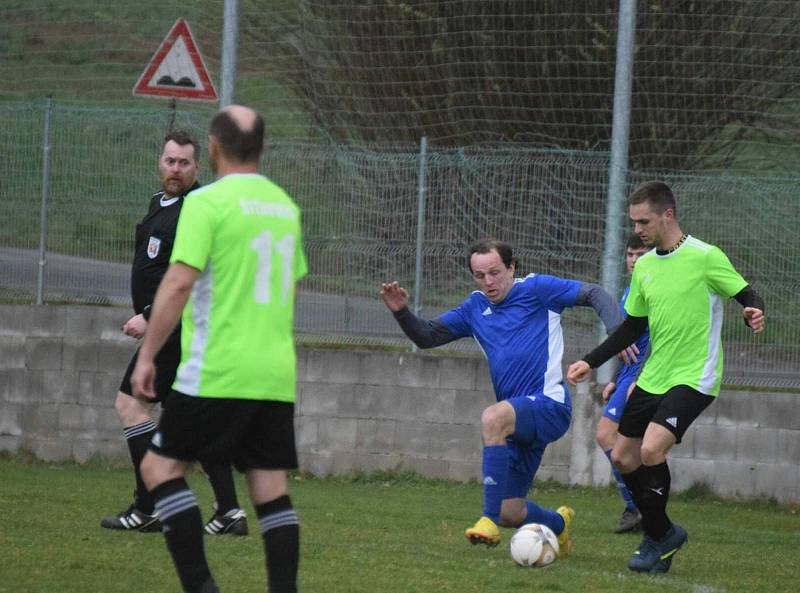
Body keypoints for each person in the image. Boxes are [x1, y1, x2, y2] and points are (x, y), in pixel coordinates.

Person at [132, 105, 307, 593]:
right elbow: (291, 293)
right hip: (273, 372)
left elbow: (177, 284)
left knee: (159, 467)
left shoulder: (206, 204)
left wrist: (148, 355)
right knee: (270, 489)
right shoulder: (285, 207)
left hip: (217, 368)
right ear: (262, 148)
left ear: (211, 148)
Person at [380, 239, 626, 556]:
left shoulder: (538, 290)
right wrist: (402, 313)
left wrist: (617, 333)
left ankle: (487, 520)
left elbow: (594, 292)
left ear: (512, 268)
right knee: (512, 511)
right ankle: (559, 524)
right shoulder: (474, 309)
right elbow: (427, 336)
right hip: (517, 420)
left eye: (495, 272)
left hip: (549, 406)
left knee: (492, 418)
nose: (489, 282)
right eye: (480, 275)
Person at [567, 181, 764, 574]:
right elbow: (630, 329)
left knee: (651, 450)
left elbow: (746, 294)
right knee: (623, 456)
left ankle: (657, 536)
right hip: (653, 376)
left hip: (695, 376)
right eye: (635, 222)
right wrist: (591, 361)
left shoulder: (705, 256)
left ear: (667, 214)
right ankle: (662, 535)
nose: (638, 229)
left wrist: (752, 312)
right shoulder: (647, 268)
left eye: (645, 221)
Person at [101, 130, 247, 536]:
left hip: (174, 328)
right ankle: (229, 512)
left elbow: (192, 272)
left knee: (130, 406)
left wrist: (150, 314)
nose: (175, 169)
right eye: (170, 161)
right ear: (159, 162)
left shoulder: (197, 207)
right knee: (192, 422)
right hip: (171, 329)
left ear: (197, 167)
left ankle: (151, 505)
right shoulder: (158, 203)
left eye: (184, 163)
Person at [596, 234, 650, 534]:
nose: (633, 259)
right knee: (627, 445)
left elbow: (659, 340)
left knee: (608, 436)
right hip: (628, 376)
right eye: (630, 254)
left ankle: (638, 506)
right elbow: (624, 341)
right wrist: (616, 379)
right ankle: (641, 507)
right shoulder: (630, 291)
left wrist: (641, 379)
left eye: (640, 254)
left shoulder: (655, 291)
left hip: (645, 375)